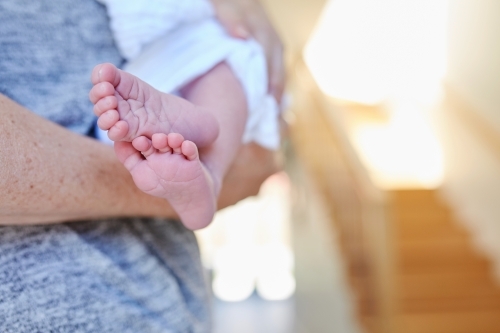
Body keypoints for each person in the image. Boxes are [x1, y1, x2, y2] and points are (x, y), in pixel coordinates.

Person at [0, 0, 284, 332]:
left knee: (222, 52)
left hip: (154, 56)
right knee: (211, 62)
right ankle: (203, 157)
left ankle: (203, 147)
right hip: (138, 85)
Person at [91, 0, 281, 230]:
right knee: (220, 68)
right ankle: (204, 170)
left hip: (182, 37)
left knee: (222, 67)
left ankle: (206, 153)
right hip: (153, 60)